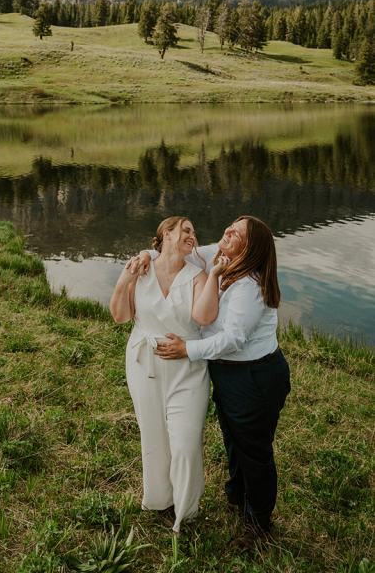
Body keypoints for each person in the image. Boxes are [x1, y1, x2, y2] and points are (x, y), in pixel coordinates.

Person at [154, 216, 291, 549]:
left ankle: (259, 524)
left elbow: (233, 339)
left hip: (254, 376)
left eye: (237, 233)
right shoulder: (222, 255)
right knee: (233, 437)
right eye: (230, 226)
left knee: (254, 450)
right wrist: (150, 255)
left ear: (249, 247)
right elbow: (185, 252)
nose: (227, 231)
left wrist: (188, 349)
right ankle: (238, 494)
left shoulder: (250, 286)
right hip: (229, 374)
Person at [109, 216, 226, 533]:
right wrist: (125, 278)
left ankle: (185, 511)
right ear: (165, 234)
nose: (192, 234)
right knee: (153, 433)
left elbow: (205, 316)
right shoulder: (141, 267)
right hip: (142, 364)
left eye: (194, 231)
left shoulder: (198, 275)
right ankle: (158, 499)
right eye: (185, 229)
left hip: (186, 370)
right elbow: (121, 315)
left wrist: (213, 275)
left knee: (185, 441)